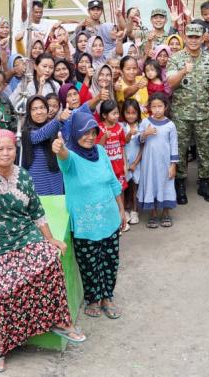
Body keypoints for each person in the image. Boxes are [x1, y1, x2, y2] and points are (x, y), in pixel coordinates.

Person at [0, 132, 84, 373]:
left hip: (22, 237)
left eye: (10, 148)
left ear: (16, 150)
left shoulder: (24, 176)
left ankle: (59, 321)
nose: (6, 153)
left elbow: (36, 211)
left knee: (50, 260)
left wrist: (50, 239)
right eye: (0, 149)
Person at [52, 112, 128, 320]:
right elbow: (63, 156)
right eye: (85, 133)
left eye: (93, 132)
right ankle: (93, 299)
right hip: (86, 224)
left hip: (109, 217)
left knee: (110, 262)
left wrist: (121, 209)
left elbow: (112, 181)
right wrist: (60, 148)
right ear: (75, 132)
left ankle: (107, 298)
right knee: (89, 264)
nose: (90, 137)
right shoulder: (71, 158)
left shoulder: (101, 151)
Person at [166, 23, 209, 203]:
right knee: (180, 149)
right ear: (185, 37)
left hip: (203, 113)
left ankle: (204, 182)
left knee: (205, 149)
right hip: (181, 114)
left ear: (203, 38)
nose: (193, 40)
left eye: (197, 37)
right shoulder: (176, 58)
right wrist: (183, 70)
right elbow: (171, 83)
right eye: (190, 36)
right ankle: (180, 183)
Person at [136, 93, 178, 228]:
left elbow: (174, 145)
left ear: (165, 107)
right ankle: (153, 214)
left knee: (166, 185)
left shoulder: (170, 125)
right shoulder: (145, 122)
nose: (157, 109)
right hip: (149, 164)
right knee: (151, 184)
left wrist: (173, 165)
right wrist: (145, 133)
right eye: (154, 107)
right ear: (150, 108)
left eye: (160, 106)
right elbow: (138, 140)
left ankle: (166, 213)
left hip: (165, 164)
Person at [20, 96, 69, 195]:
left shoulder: (54, 126)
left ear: (47, 109)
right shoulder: (26, 131)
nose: (39, 112)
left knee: (57, 202)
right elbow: (39, 135)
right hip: (37, 178)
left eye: (42, 107)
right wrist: (59, 119)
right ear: (29, 113)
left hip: (55, 176)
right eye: (34, 109)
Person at [96, 99, 129, 197]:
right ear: (104, 115)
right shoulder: (99, 128)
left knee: (121, 190)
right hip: (106, 168)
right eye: (114, 114)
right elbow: (98, 148)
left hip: (119, 167)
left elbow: (122, 146)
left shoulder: (120, 128)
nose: (117, 116)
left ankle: (121, 207)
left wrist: (125, 164)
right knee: (108, 192)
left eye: (117, 113)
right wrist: (104, 137)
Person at [121, 98, 144, 226]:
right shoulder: (121, 126)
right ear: (123, 113)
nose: (130, 116)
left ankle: (135, 210)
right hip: (124, 161)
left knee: (135, 186)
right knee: (124, 186)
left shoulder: (141, 126)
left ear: (138, 113)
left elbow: (143, 146)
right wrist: (129, 133)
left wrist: (135, 162)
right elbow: (123, 142)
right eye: (128, 113)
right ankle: (125, 209)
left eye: (133, 113)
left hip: (137, 162)